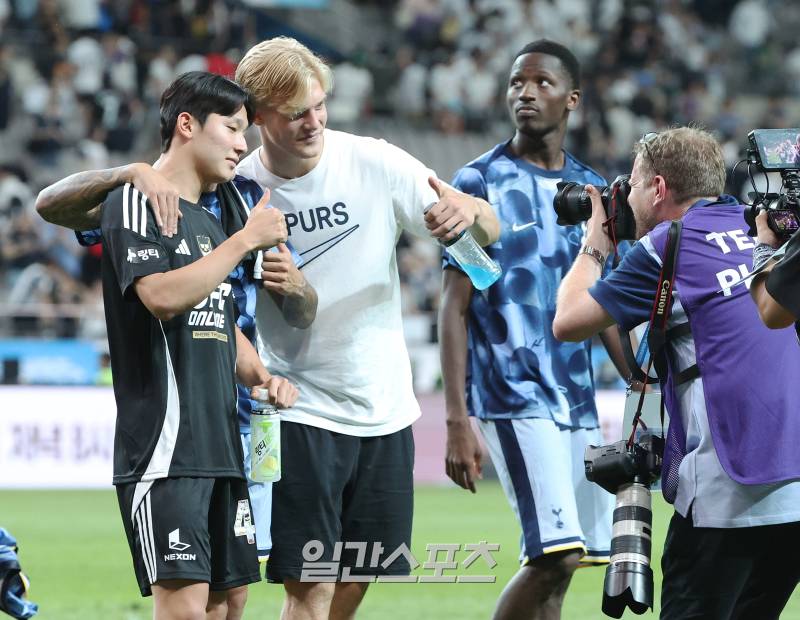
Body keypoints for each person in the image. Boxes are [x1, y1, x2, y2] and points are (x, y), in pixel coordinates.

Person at [231, 36, 499, 620]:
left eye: (319, 105)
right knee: (310, 584)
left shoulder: (374, 160)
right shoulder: (241, 190)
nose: (314, 121)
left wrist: (470, 215)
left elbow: (487, 240)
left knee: (357, 578)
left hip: (385, 408)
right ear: (256, 115)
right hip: (294, 406)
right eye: (296, 112)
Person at [36, 95, 318, 616]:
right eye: (232, 129)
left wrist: (261, 376)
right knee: (186, 609)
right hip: (167, 450)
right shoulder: (133, 200)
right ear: (187, 125)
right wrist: (243, 242)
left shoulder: (213, 220)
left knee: (229, 602)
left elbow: (218, 317)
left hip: (223, 447)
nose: (243, 144)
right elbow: (162, 298)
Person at [553, 127, 800, 619]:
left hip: (730, 485)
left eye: (637, 185)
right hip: (794, 487)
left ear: (659, 189)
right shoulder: (762, 225)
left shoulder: (670, 243)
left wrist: (596, 241)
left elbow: (568, 321)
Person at [439, 40, 624, 620]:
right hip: (513, 391)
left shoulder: (593, 192)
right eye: (518, 82)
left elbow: (605, 303)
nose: (525, 92)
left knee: (562, 569)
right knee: (555, 556)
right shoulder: (479, 182)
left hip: (575, 397)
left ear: (571, 100)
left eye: (542, 83)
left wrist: (641, 378)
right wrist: (455, 419)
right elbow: (455, 305)